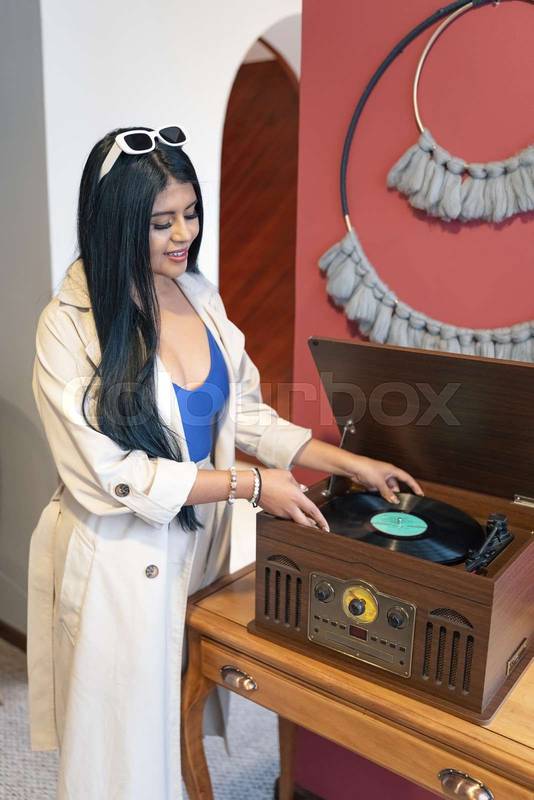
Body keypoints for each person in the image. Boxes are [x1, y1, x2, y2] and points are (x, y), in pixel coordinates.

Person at [27, 125, 423, 799]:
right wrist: (249, 484)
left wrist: (348, 463)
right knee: (119, 763)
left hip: (192, 555)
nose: (184, 234)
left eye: (190, 213)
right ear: (116, 222)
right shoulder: (67, 326)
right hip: (117, 567)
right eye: (161, 222)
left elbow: (242, 414)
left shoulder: (199, 297)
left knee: (168, 737)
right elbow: (111, 475)